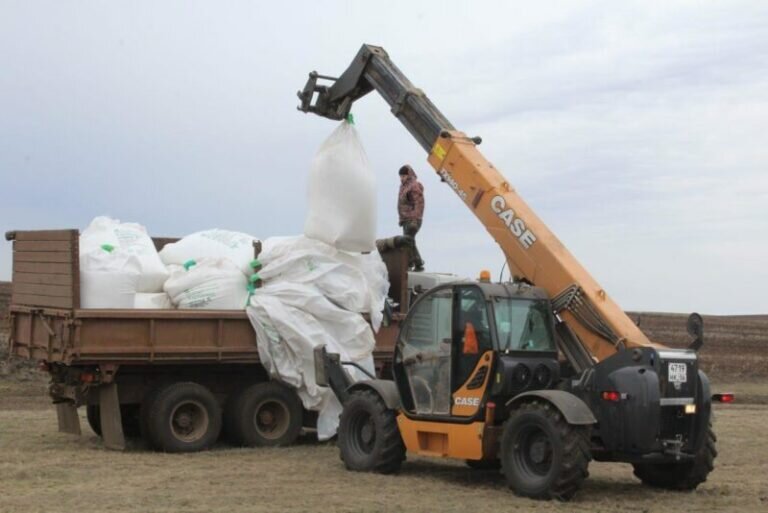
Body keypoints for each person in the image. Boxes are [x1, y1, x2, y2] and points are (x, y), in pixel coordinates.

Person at [398, 165, 425, 271]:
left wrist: (414, 219)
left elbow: (419, 203)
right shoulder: (403, 187)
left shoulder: (414, 186)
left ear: (408, 175)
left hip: (413, 219)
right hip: (406, 220)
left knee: (407, 240)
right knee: (409, 240)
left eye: (403, 176)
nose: (401, 178)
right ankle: (414, 263)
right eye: (400, 176)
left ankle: (413, 263)